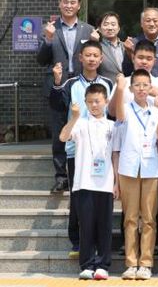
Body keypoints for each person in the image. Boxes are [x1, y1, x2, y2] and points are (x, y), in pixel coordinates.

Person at [49, 40, 113, 259]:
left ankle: (98, 243)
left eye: (95, 55)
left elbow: (112, 115)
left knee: (100, 199)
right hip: (76, 150)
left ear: (101, 59)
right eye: (88, 55)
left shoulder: (108, 83)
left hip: (101, 152)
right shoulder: (71, 83)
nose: (92, 59)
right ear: (80, 58)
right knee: (78, 197)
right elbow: (58, 106)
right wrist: (57, 82)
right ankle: (77, 242)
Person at [37, 0, 95, 193]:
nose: (69, 5)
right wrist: (48, 39)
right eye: (65, 2)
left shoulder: (88, 30)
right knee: (59, 130)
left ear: (79, 5)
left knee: (84, 127)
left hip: (81, 85)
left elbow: (95, 56)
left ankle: (83, 171)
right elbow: (41, 60)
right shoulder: (50, 29)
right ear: (59, 4)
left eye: (73, 2)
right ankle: (61, 177)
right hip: (57, 84)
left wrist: (96, 43)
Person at [113, 69, 158, 280]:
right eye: (137, 85)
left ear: (151, 87)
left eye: (145, 85)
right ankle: (130, 263)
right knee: (130, 218)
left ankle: (145, 263)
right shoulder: (125, 108)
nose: (141, 89)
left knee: (149, 218)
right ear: (131, 88)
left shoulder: (156, 110)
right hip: (128, 169)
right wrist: (119, 89)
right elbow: (118, 115)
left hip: (151, 168)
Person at [58, 84, 116, 280]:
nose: (94, 105)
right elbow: (63, 137)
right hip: (83, 183)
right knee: (86, 226)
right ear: (85, 103)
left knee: (104, 226)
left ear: (106, 101)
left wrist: (116, 182)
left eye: (97, 101)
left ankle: (103, 265)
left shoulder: (112, 126)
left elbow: (115, 155)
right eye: (90, 102)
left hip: (105, 183)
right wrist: (74, 117)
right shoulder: (80, 123)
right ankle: (87, 264)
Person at [95, 12, 125, 82]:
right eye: (106, 24)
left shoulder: (126, 47)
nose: (110, 28)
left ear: (118, 28)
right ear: (99, 29)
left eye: (113, 24)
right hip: (105, 86)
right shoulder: (97, 47)